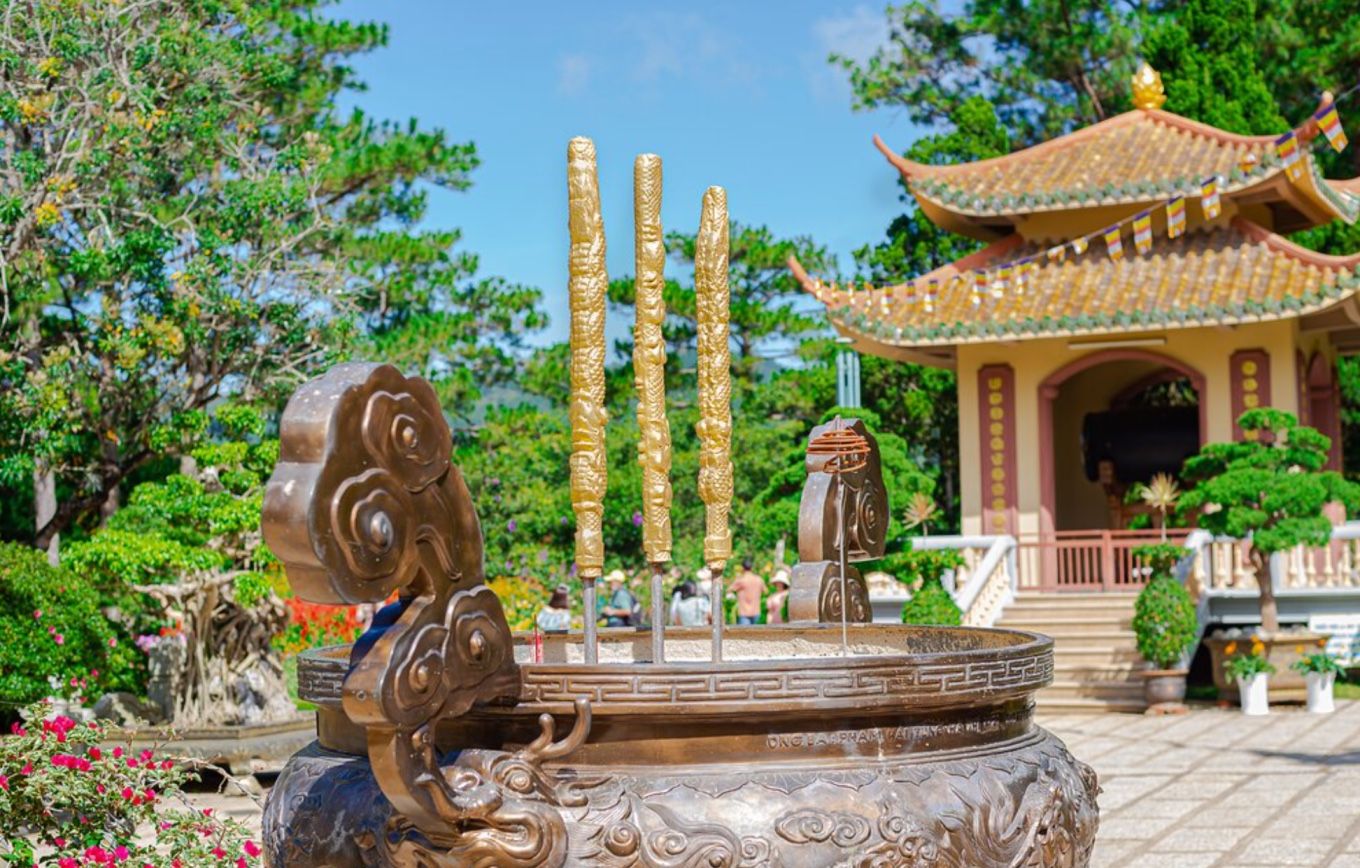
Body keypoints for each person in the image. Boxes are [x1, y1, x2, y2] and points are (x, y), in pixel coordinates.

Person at [729, 557, 766, 626]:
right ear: (751, 568)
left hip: (744, 613)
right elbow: (765, 591)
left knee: (745, 636)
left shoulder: (740, 580)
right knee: (757, 635)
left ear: (742, 568)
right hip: (756, 611)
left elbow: (729, 590)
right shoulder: (759, 579)